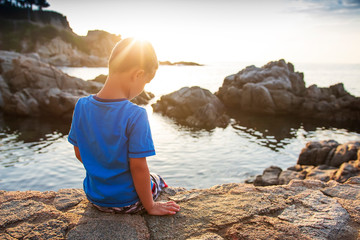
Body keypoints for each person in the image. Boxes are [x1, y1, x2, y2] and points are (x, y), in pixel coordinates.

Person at [68, 38, 180, 216]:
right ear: (138, 74)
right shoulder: (136, 115)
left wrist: (103, 172)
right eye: (145, 83)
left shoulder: (81, 106)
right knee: (157, 179)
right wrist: (150, 206)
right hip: (127, 203)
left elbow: (79, 152)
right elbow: (138, 167)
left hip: (95, 198)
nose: (143, 89)